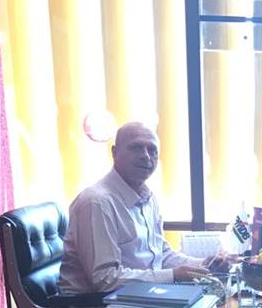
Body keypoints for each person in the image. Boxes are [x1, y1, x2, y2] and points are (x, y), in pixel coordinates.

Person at [59, 121, 226, 296]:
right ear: (114, 153)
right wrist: (173, 275)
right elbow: (104, 279)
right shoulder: (97, 203)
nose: (145, 156)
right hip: (93, 306)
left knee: (218, 301)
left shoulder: (148, 198)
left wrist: (204, 265)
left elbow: (162, 255)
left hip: (140, 297)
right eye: (136, 148)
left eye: (152, 150)